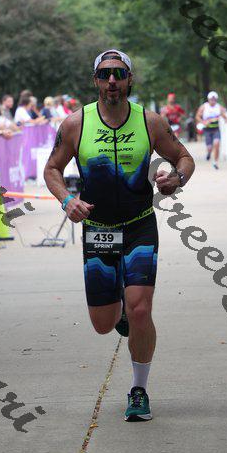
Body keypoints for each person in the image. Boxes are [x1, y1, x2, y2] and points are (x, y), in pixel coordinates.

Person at [44, 49, 195, 422]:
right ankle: (122, 308)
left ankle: (139, 390)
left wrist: (177, 179)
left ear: (129, 79)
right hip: (98, 229)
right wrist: (67, 200)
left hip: (139, 224)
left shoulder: (150, 121)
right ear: (95, 80)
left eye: (118, 74)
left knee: (141, 310)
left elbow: (184, 157)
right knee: (103, 324)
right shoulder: (75, 124)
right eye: (104, 74)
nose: (111, 80)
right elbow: (52, 169)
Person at [195, 91, 227, 169]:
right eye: (211, 99)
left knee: (217, 144)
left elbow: (224, 116)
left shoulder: (219, 107)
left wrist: (226, 119)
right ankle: (209, 153)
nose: (213, 101)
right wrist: (203, 122)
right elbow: (197, 116)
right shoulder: (204, 107)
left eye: (214, 99)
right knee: (209, 147)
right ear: (208, 99)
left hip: (216, 129)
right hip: (207, 130)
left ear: (216, 99)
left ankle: (215, 162)